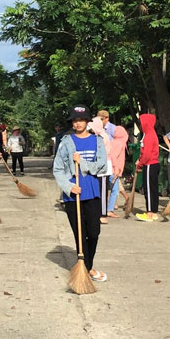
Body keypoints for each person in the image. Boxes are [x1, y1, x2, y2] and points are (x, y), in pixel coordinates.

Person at [54, 104, 108, 282]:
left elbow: (101, 165)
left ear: (87, 121)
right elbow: (58, 169)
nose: (78, 124)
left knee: (94, 232)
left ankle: (87, 265)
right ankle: (86, 269)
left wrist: (82, 162)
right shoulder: (66, 142)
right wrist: (69, 187)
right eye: (75, 121)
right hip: (73, 195)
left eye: (81, 120)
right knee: (80, 233)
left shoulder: (97, 141)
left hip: (92, 192)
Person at [135, 114, 160, 222]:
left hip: (150, 164)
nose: (140, 125)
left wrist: (140, 164)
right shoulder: (150, 134)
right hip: (153, 164)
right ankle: (154, 212)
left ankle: (149, 212)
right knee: (153, 188)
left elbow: (147, 154)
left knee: (149, 189)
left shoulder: (149, 135)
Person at [90, 117, 112, 224]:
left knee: (103, 190)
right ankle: (97, 212)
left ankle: (103, 214)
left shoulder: (102, 136)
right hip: (98, 166)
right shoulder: (97, 135)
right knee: (98, 190)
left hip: (104, 167)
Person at [107, 126, 129, 217]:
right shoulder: (119, 143)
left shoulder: (113, 142)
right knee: (115, 190)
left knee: (111, 189)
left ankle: (108, 208)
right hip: (114, 170)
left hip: (111, 169)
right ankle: (110, 210)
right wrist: (116, 169)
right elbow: (113, 156)